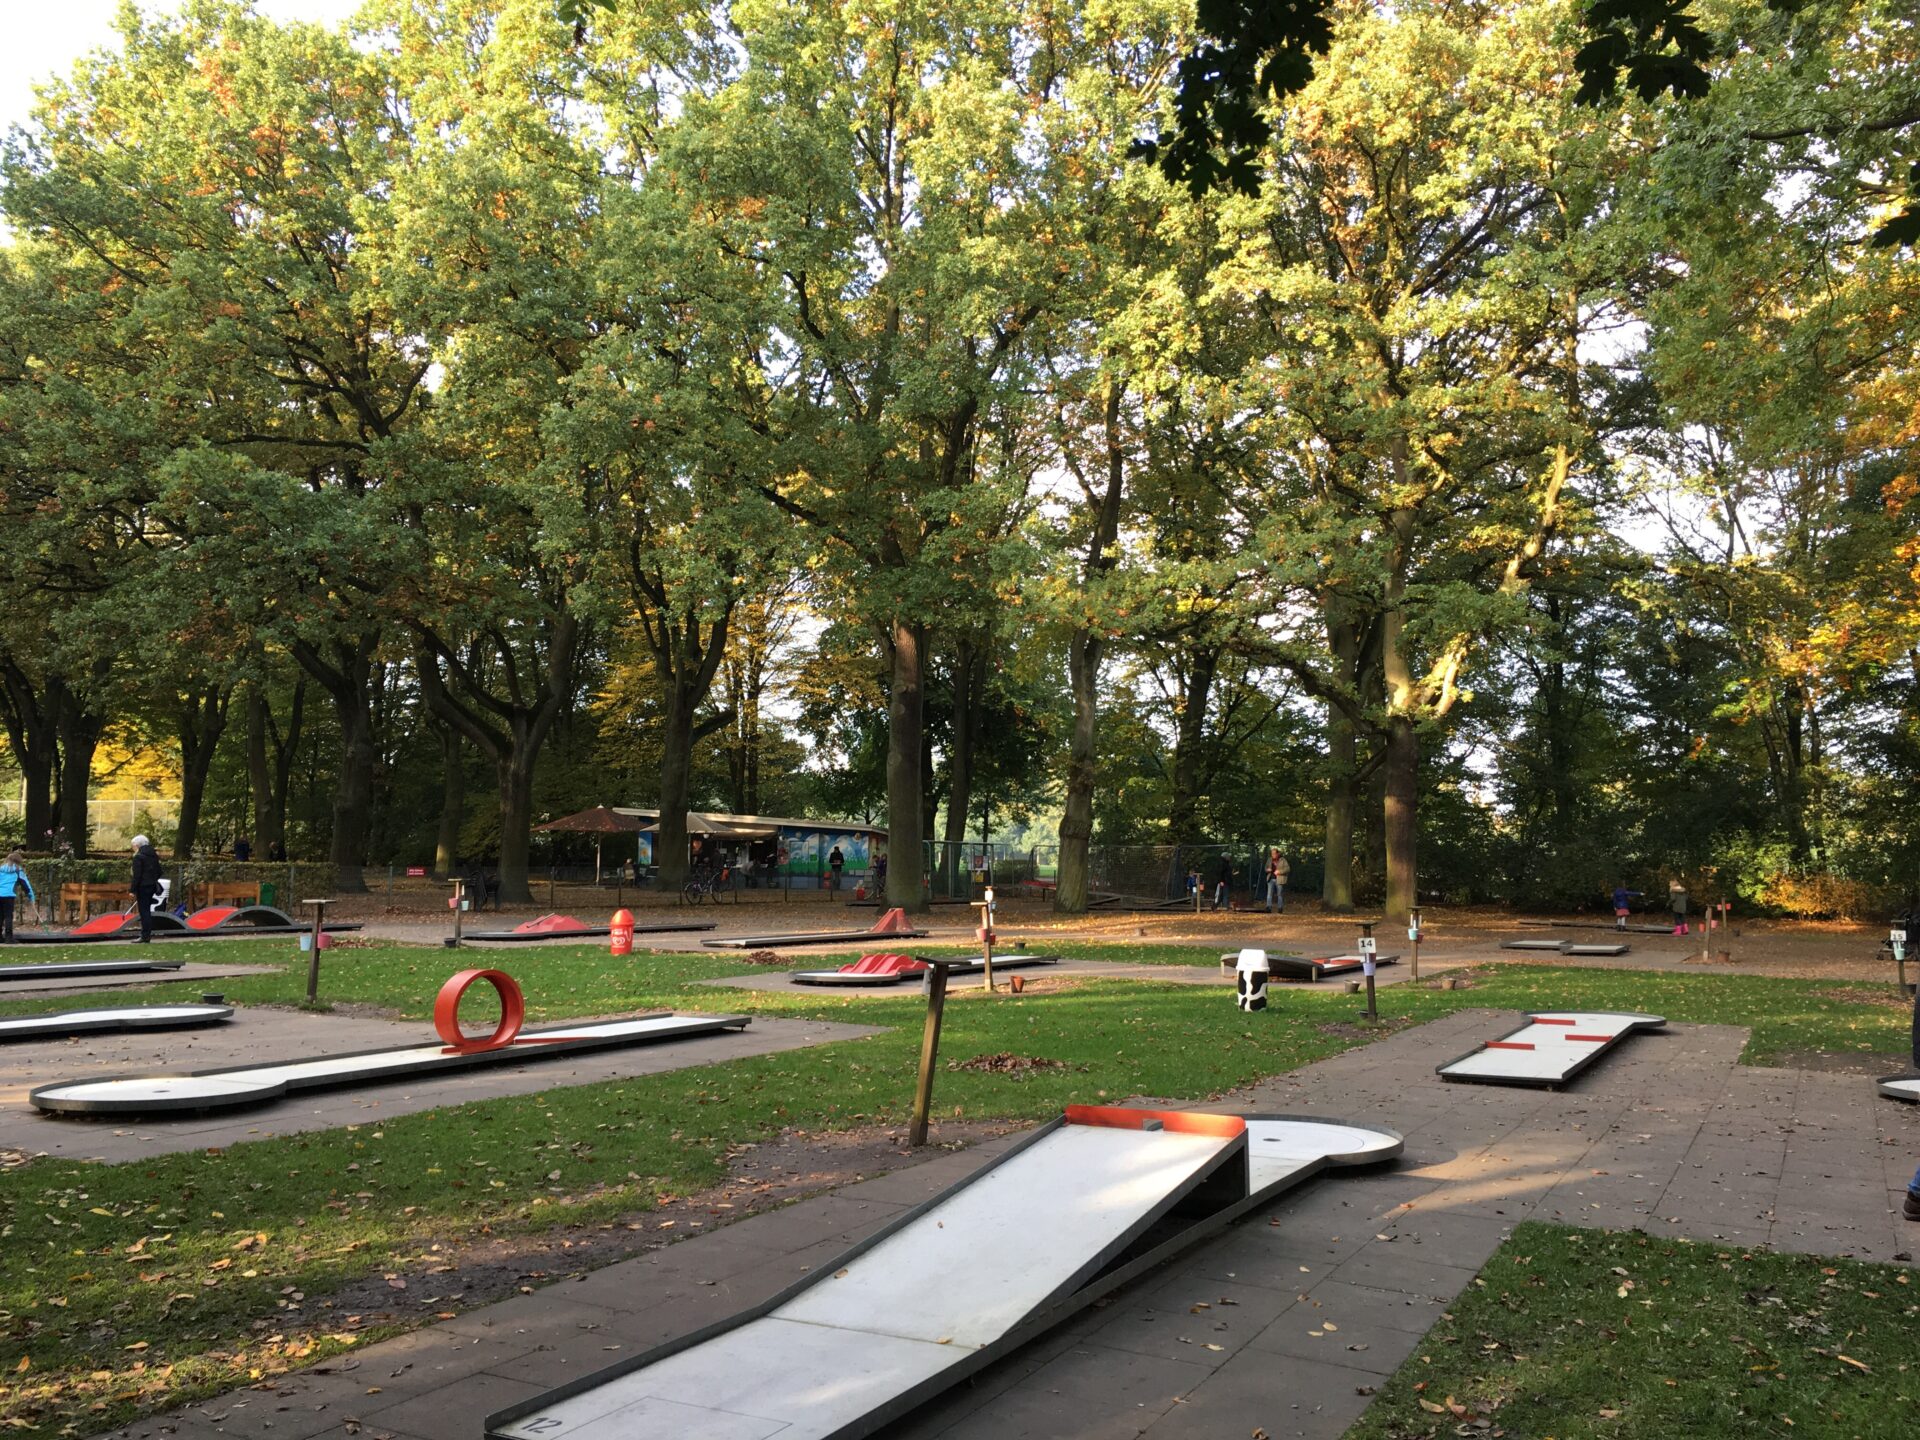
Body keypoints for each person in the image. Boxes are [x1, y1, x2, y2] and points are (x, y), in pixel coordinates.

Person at [130, 834, 163, 943]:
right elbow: (159, 871)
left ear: (137, 845)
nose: (132, 848)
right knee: (147, 910)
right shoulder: (153, 856)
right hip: (152, 886)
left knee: (144, 911)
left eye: (133, 846)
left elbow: (137, 876)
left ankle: (145, 935)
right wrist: (152, 879)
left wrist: (132, 890)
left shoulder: (138, 857)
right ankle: (146, 934)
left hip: (142, 887)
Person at [0, 849, 33, 943]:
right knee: (8, 916)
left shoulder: (0, 869)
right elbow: (25, 885)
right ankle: (8, 938)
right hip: (8, 896)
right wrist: (30, 896)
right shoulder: (18, 872)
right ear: (18, 862)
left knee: (0, 916)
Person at [1264, 849, 1290, 914]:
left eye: (1274, 853)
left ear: (1278, 854)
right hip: (1270, 879)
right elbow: (1265, 868)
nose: (1273, 855)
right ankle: (1268, 907)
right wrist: (1267, 870)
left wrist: (1279, 872)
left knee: (1279, 894)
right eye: (1272, 853)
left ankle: (1280, 908)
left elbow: (1287, 869)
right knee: (1269, 894)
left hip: (1279, 879)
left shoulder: (1283, 860)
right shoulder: (1269, 860)